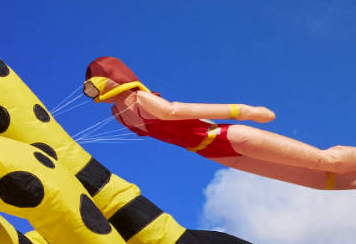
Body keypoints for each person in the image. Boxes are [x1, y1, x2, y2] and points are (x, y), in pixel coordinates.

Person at [85, 56, 356, 190]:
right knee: (314, 180)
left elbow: (175, 111)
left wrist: (243, 111)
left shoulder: (141, 100)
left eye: (97, 84)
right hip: (214, 153)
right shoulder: (119, 114)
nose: (96, 90)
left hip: (226, 138)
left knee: (325, 161)